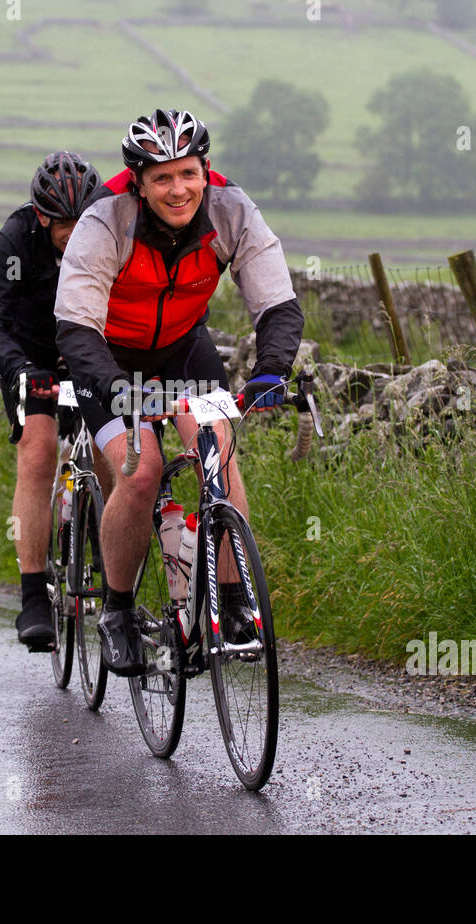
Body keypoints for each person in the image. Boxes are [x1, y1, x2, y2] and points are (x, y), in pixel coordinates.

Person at [54, 108, 304, 676]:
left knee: (220, 457)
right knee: (140, 475)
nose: (178, 189)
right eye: (161, 178)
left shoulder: (231, 210)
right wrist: (119, 389)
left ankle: (234, 601)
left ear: (205, 170)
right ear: (138, 183)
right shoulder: (103, 222)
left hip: (182, 350)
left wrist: (271, 371)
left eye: (187, 173)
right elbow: (76, 328)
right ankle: (117, 612)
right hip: (108, 359)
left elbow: (277, 302)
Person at [0, 151, 105, 651]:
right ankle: (32, 597)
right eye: (63, 223)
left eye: (83, 220)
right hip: (32, 360)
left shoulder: (111, 235)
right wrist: (22, 370)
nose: (74, 232)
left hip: (93, 353)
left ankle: (116, 581)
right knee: (39, 451)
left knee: (120, 453)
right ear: (42, 216)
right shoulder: (14, 241)